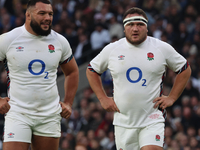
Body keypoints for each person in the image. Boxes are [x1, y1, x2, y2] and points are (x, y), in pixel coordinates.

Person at [86, 7, 191, 150]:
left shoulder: (161, 48)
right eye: (130, 25)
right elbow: (92, 70)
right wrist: (102, 98)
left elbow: (184, 69)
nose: (135, 28)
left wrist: (172, 97)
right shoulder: (112, 49)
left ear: (147, 28)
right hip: (123, 122)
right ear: (124, 29)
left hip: (152, 119)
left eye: (140, 24)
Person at [0, 0, 79, 150]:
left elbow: (73, 71)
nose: (48, 18)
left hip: (49, 115)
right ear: (28, 15)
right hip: (18, 113)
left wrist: (68, 102)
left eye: (50, 14)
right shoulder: (8, 39)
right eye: (42, 13)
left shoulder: (60, 41)